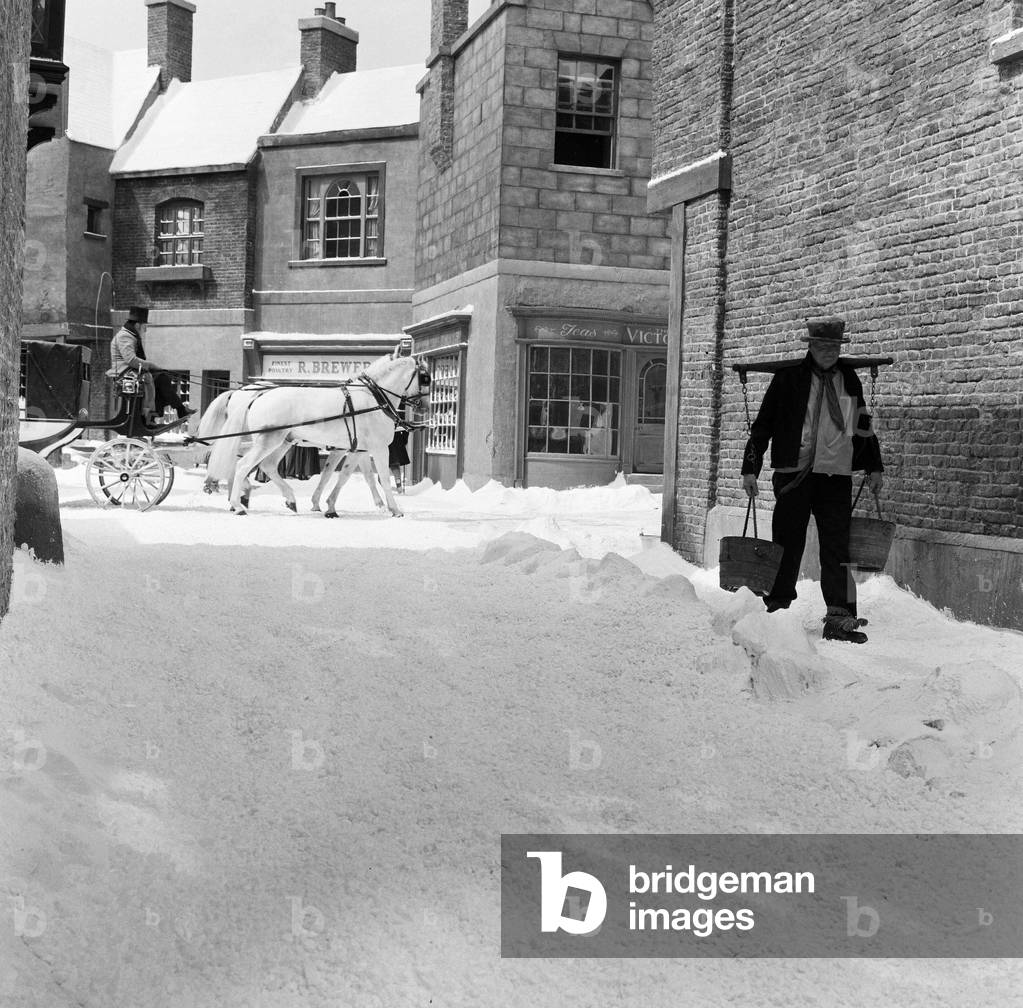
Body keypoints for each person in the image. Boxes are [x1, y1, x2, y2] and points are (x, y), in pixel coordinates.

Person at [740, 317, 884, 644]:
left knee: (838, 548)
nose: (829, 352)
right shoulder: (789, 380)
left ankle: (840, 618)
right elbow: (762, 428)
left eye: (834, 347)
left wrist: (875, 466)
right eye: (822, 346)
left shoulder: (847, 380)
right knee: (787, 544)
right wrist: (750, 468)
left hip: (835, 477)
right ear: (810, 345)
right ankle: (777, 610)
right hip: (795, 475)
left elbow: (861, 425)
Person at [107, 305, 193, 424]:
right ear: (138, 325)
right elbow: (131, 360)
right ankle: (173, 411)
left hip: (132, 371)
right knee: (161, 379)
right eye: (144, 326)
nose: (145, 330)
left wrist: (156, 369)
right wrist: (152, 365)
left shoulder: (130, 335)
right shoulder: (125, 336)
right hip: (124, 373)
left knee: (162, 378)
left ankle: (156, 414)